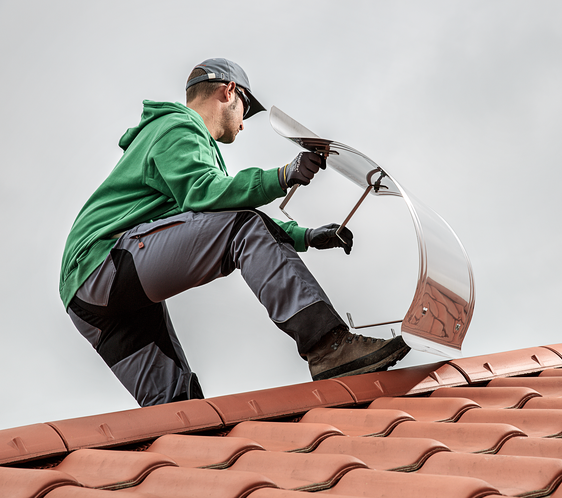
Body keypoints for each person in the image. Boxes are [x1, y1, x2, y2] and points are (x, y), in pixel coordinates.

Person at [59, 58, 410, 407]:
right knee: (245, 227)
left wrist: (304, 235)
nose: (243, 126)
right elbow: (208, 196)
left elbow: (210, 210)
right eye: (246, 110)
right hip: (106, 263)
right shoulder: (177, 127)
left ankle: (188, 457)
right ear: (229, 92)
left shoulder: (173, 139)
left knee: (176, 411)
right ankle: (329, 347)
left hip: (87, 299)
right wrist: (283, 175)